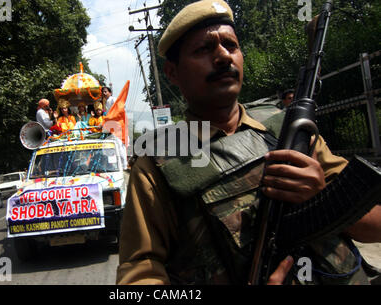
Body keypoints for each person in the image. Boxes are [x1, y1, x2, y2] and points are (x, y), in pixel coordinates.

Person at [116, 0, 381, 285]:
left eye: (231, 45)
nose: (222, 57)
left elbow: (375, 228)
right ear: (172, 73)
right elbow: (139, 275)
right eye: (203, 49)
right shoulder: (157, 163)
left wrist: (322, 197)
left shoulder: (288, 129)